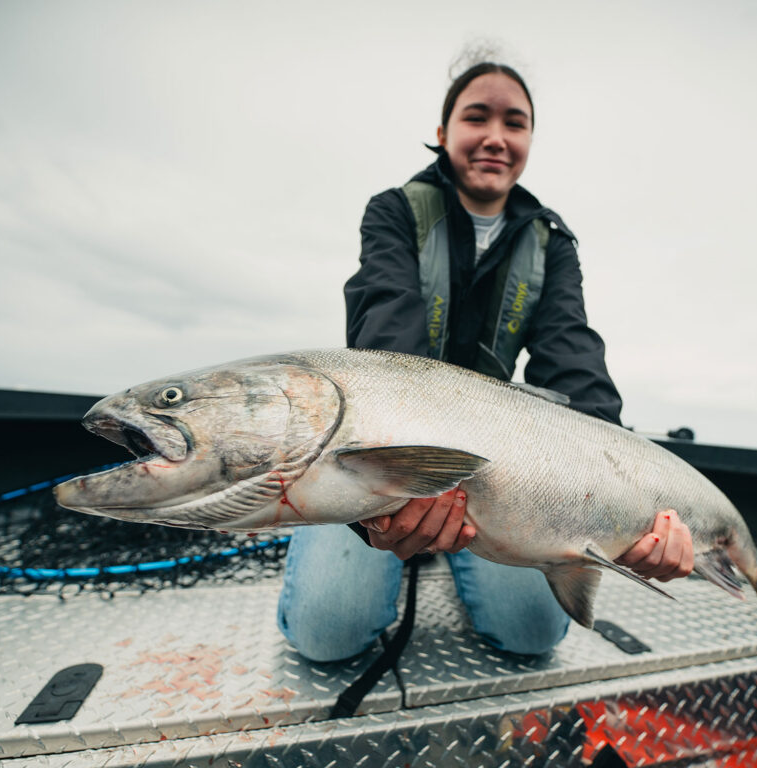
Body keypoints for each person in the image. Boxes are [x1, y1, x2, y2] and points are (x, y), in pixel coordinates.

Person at [277, 61, 694, 662]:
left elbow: (574, 368)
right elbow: (386, 338)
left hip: (494, 468)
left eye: (515, 123)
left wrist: (628, 514)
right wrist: (385, 506)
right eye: (477, 117)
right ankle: (403, 546)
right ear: (444, 132)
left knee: (532, 635)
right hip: (380, 456)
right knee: (327, 633)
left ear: (528, 142)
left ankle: (449, 549)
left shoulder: (551, 242)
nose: (496, 135)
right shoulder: (394, 211)